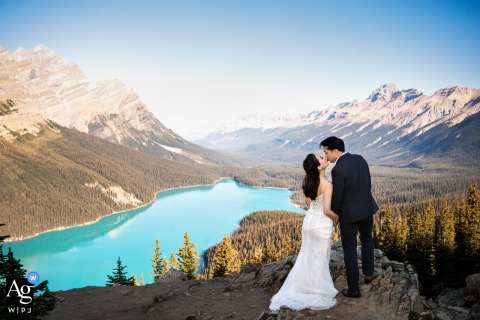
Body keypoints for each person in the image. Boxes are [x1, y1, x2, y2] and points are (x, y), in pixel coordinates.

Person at [269, 154, 338, 312]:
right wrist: (337, 218)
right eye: (321, 157)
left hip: (309, 222)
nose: (324, 157)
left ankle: (305, 286)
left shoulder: (308, 181)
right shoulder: (327, 184)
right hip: (321, 225)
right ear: (319, 167)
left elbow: (308, 202)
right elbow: (327, 210)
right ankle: (318, 289)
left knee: (307, 256)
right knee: (320, 257)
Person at [320, 136, 379, 298]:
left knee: (350, 249)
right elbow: (368, 184)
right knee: (367, 239)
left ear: (336, 151)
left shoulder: (338, 170)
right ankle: (368, 273)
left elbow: (337, 197)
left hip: (349, 215)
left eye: (327, 152)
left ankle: (353, 288)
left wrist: (335, 215)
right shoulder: (360, 159)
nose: (326, 156)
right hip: (367, 209)